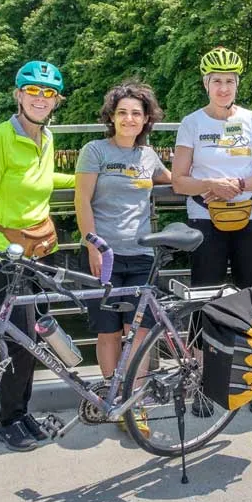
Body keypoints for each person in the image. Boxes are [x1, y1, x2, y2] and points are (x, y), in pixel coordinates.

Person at [0, 61, 75, 451]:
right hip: (7, 254)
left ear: (56, 101)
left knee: (35, 338)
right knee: (17, 339)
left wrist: (92, 177)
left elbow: (44, 180)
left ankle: (23, 412)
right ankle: (8, 420)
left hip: (42, 249)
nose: (40, 99)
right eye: (33, 91)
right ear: (18, 95)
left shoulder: (47, 137)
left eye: (48, 93)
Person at [172, 47, 252, 415]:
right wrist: (212, 185)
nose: (223, 88)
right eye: (216, 81)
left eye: (229, 81)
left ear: (237, 84)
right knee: (203, 300)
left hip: (250, 217)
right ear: (206, 84)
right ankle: (201, 382)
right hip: (205, 220)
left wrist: (240, 184)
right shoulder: (191, 123)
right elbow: (179, 180)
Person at [74, 81, 171, 435]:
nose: (129, 119)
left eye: (136, 113)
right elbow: (82, 200)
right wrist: (93, 245)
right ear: (111, 117)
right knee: (109, 332)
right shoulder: (95, 151)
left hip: (142, 255)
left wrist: (214, 184)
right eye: (122, 113)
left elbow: (175, 180)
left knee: (139, 333)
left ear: (146, 119)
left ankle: (135, 403)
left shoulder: (148, 156)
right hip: (105, 256)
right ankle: (112, 399)